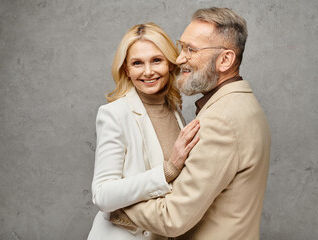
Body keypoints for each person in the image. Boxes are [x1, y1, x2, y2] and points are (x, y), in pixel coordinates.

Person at [111, 7, 271, 240]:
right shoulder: (243, 103)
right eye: (182, 46)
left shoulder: (220, 120)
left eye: (191, 49)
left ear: (225, 59)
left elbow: (172, 218)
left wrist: (115, 202)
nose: (179, 58)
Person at [87, 22, 200, 240]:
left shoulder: (175, 111)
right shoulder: (114, 114)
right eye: (137, 63)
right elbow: (102, 195)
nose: (148, 72)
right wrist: (168, 170)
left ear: (169, 64)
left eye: (156, 60)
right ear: (126, 70)